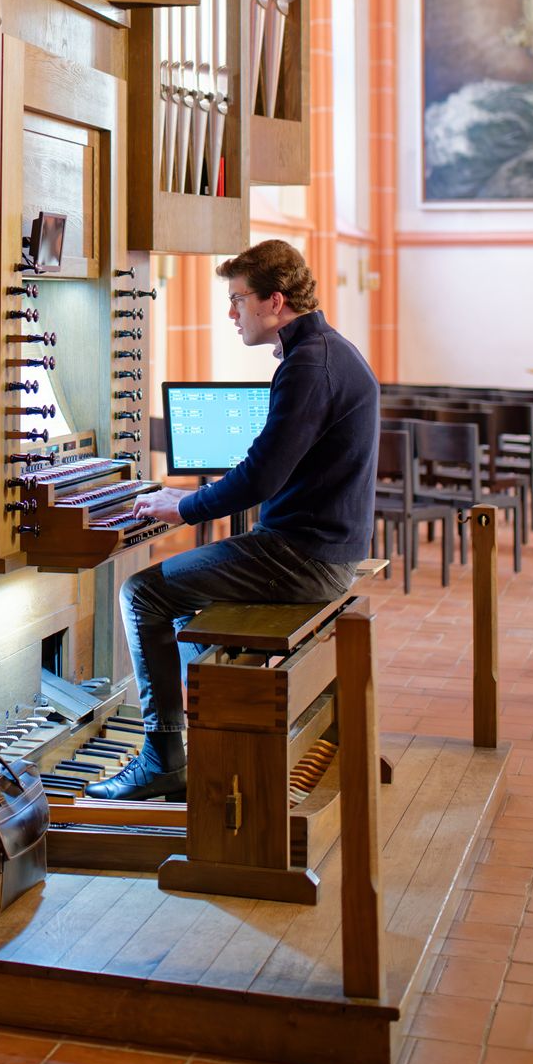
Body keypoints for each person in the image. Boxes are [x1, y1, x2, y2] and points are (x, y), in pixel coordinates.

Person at [85, 239, 379, 803]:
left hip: (303, 557)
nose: (231, 313)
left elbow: (263, 477)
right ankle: (214, 734)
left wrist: (183, 506)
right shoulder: (324, 350)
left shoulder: (308, 366)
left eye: (237, 299)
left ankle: (163, 758)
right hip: (322, 547)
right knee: (185, 617)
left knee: (141, 595)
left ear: (274, 300)